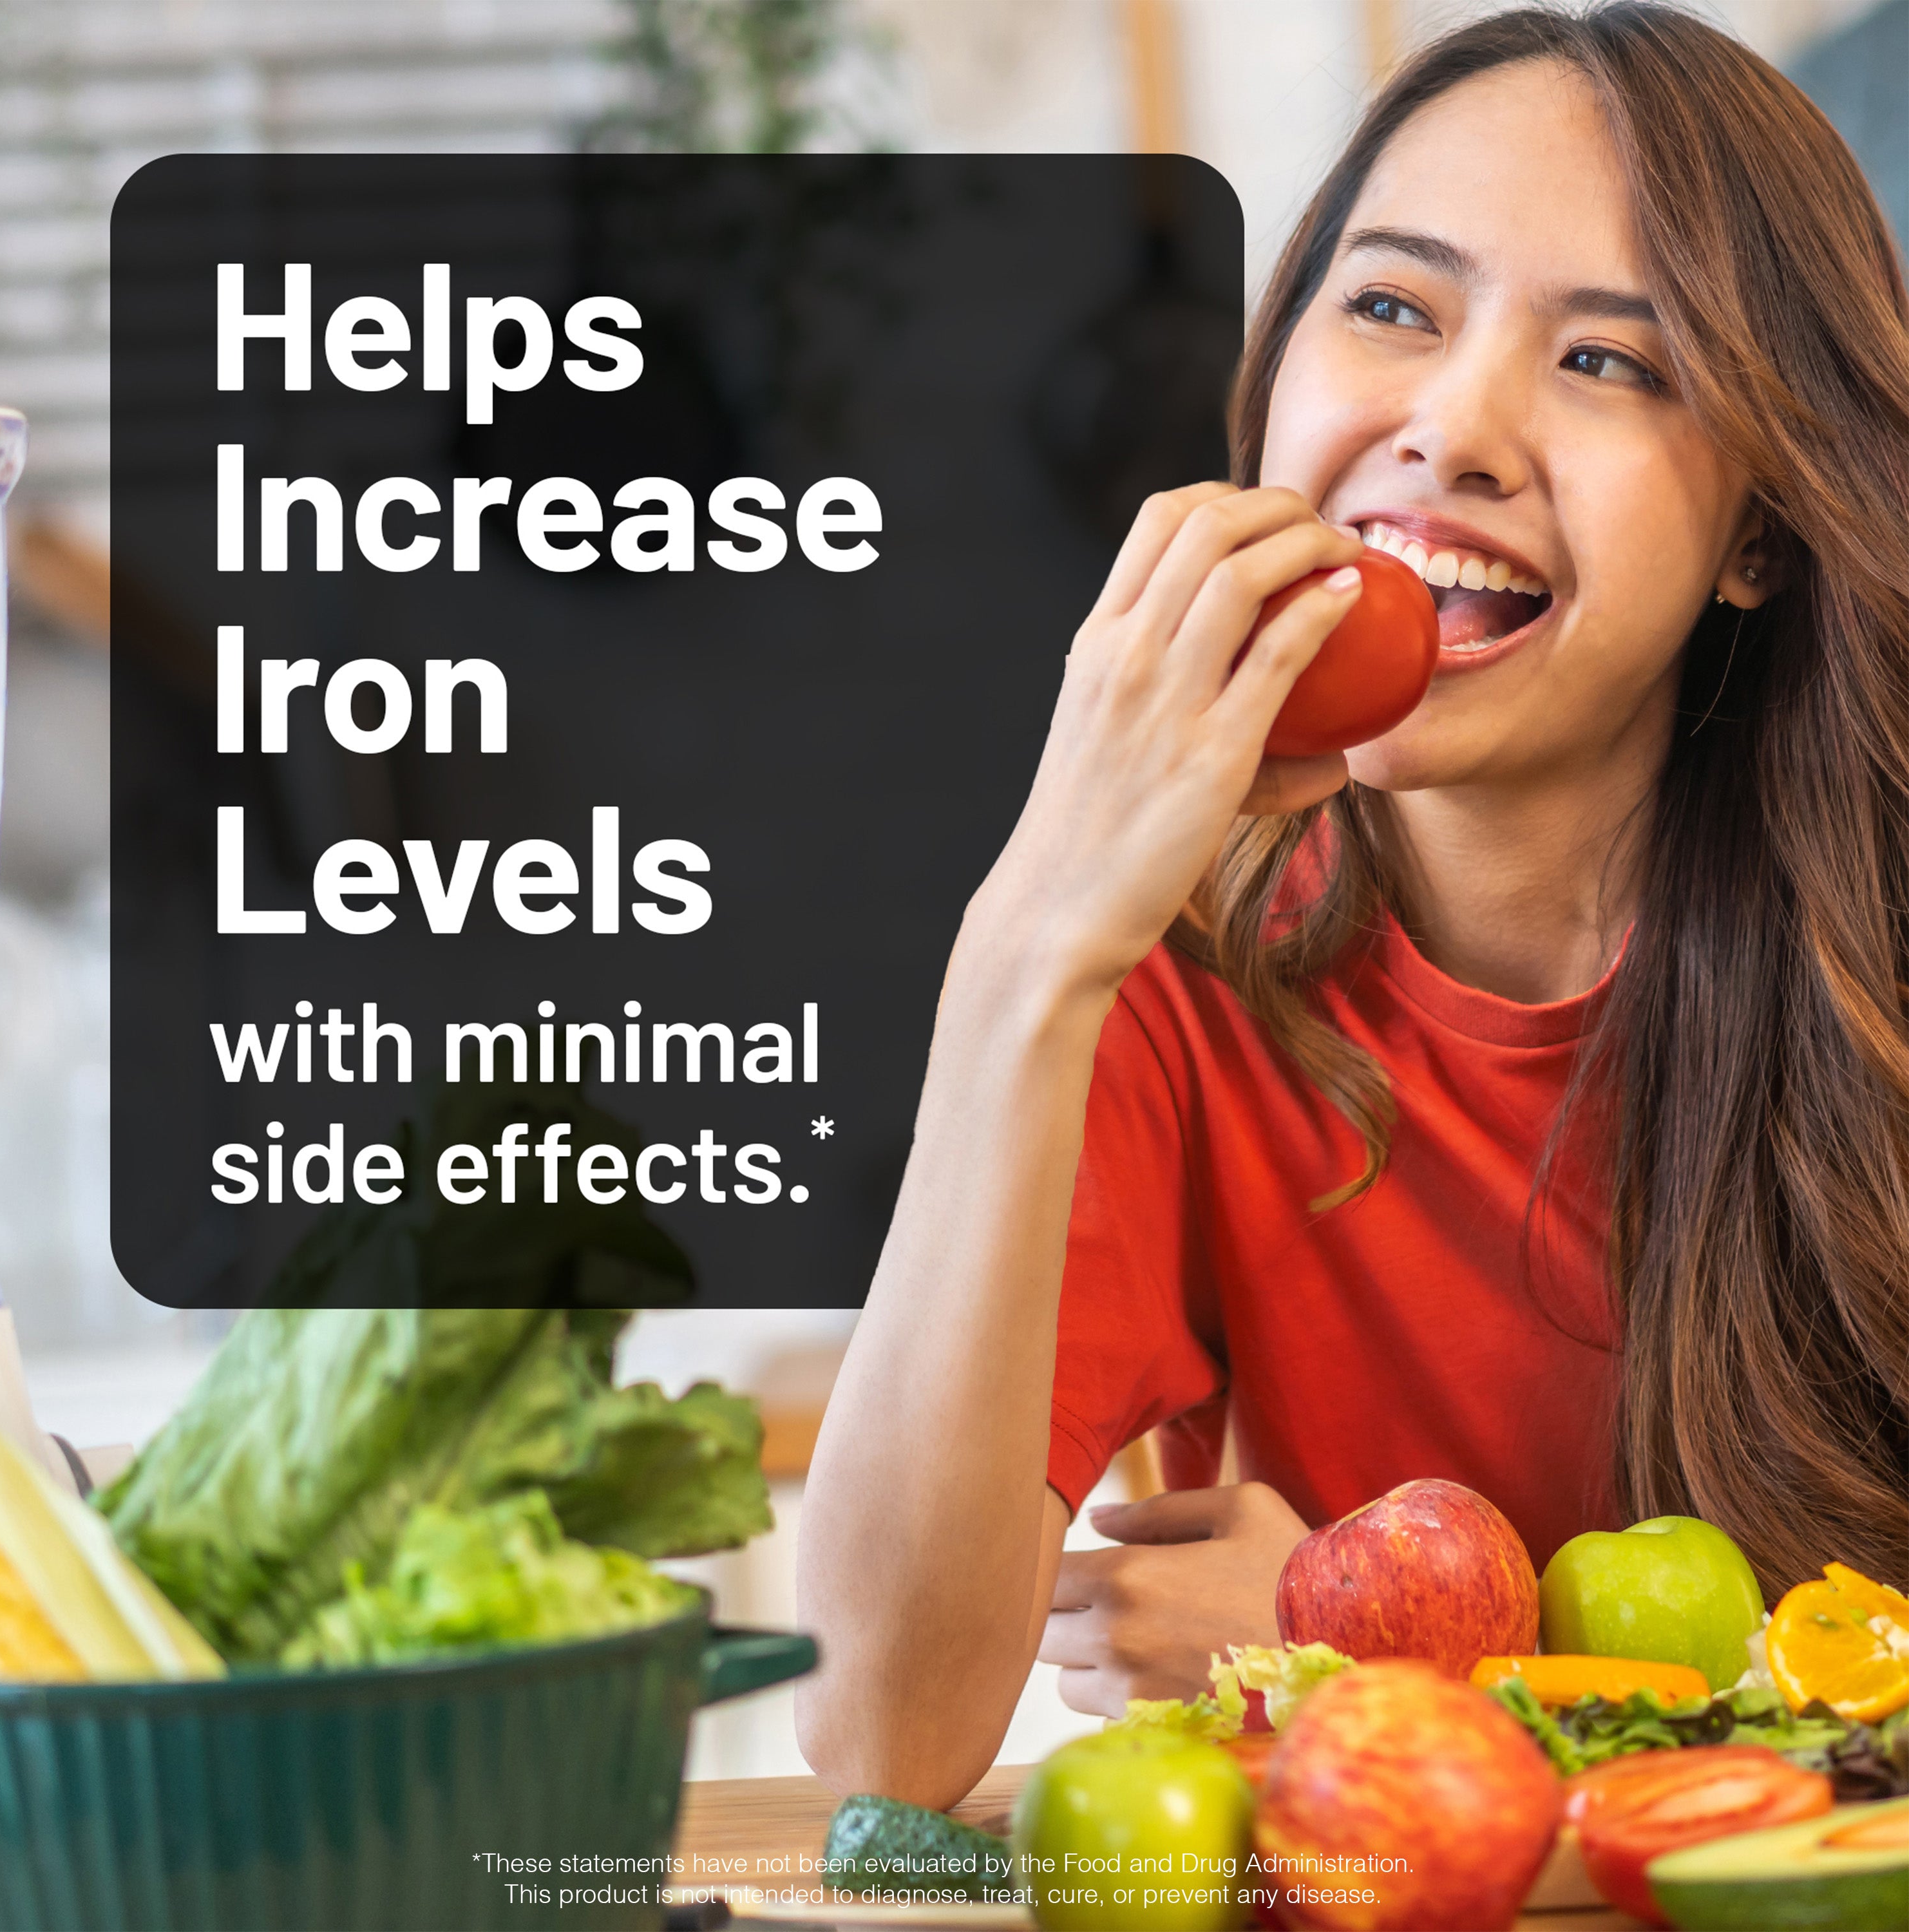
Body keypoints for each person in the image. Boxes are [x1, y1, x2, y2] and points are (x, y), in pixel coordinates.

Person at [796, 0, 1909, 1808]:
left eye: (1608, 361)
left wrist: (1378, 1656)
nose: (1453, 428)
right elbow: (880, 1734)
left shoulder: (1876, 970)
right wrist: (1028, 943)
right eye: (1392, 306)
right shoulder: (1166, 970)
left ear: (1760, 534)